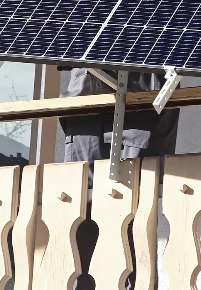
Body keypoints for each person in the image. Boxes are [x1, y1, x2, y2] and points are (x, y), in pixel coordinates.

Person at [59, 68, 179, 290]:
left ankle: (134, 284)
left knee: (134, 207)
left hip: (146, 93)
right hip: (89, 93)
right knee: (85, 204)